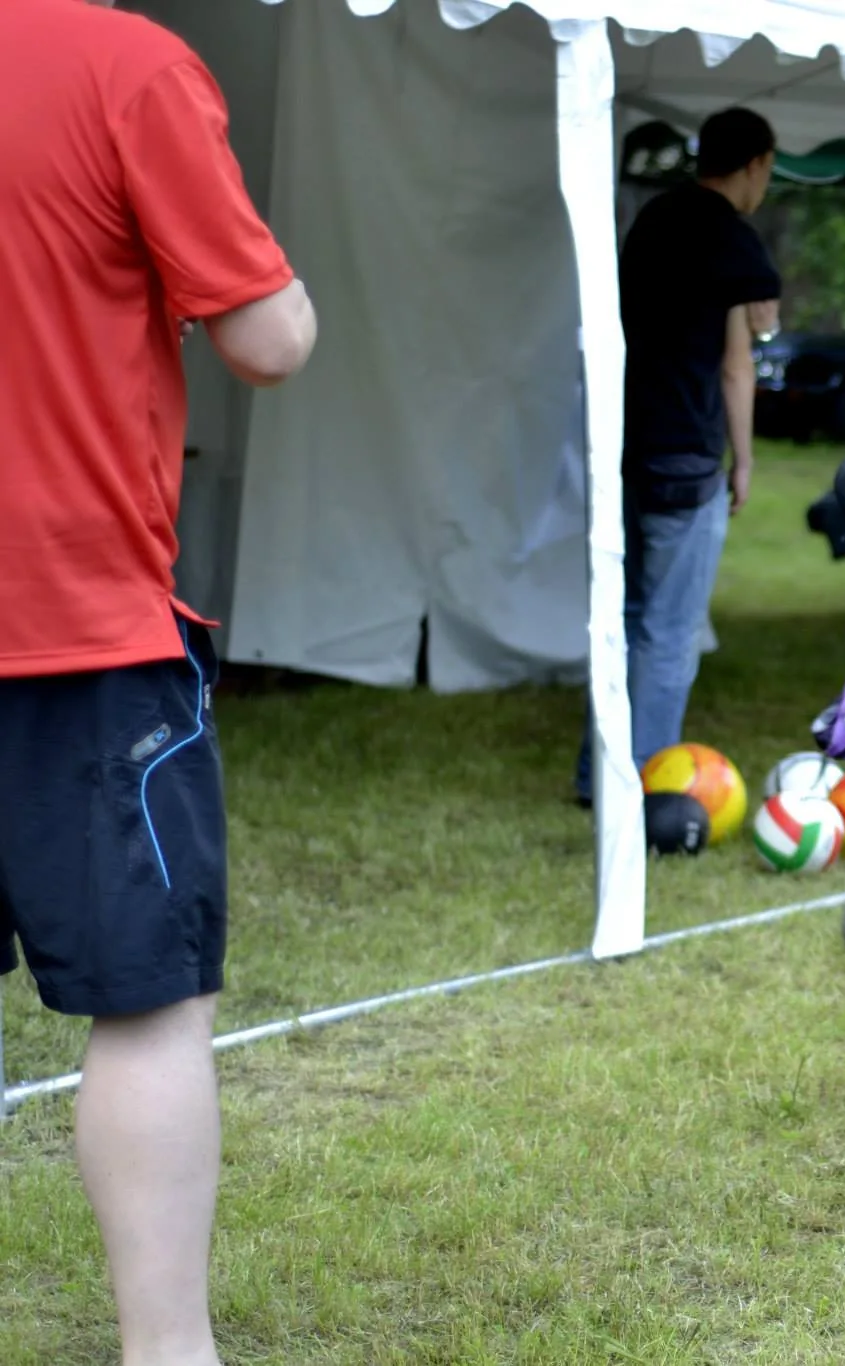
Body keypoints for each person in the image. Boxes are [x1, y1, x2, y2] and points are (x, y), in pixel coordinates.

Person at [0, 3, 318, 1360]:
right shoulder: (123, 63)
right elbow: (269, 336)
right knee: (148, 1001)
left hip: (66, 613)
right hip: (73, 619)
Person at [575, 107, 781, 804]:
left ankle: (597, 773)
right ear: (755, 164)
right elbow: (738, 364)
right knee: (670, 633)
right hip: (688, 456)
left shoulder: (654, 217)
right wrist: (743, 461)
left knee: (628, 620)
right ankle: (641, 788)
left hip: (626, 446)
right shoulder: (733, 241)